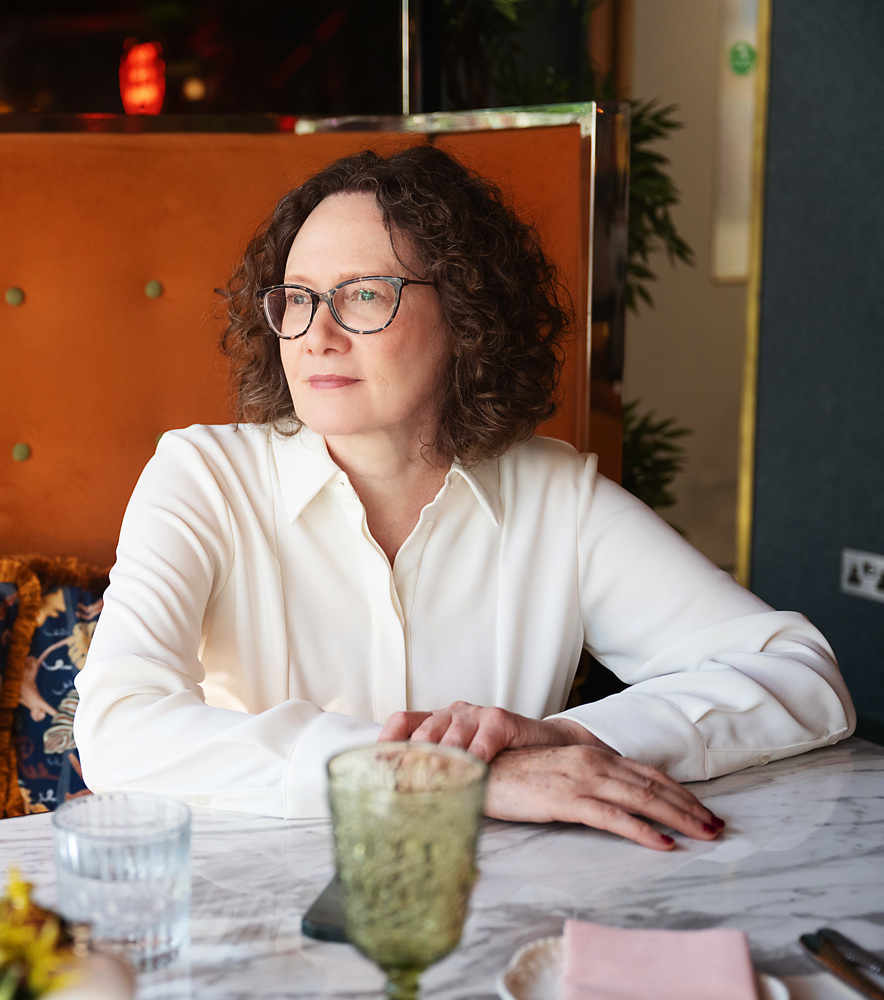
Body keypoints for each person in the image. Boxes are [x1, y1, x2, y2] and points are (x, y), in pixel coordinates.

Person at [73, 145, 854, 851]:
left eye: (365, 295)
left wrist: (560, 741)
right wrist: (439, 775)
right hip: (264, 915)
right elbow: (117, 731)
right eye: (299, 297)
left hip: (496, 924)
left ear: (466, 315)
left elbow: (802, 676)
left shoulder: (557, 498)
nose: (316, 334)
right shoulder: (201, 478)